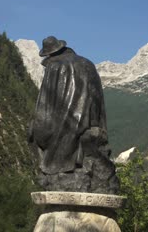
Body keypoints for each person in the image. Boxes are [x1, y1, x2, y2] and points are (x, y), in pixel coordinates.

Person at [28, 36, 119, 194]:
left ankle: (57, 174)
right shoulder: (88, 64)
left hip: (66, 128)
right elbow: (97, 99)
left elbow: (46, 104)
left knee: (35, 135)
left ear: (51, 54)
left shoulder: (55, 66)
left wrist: (37, 127)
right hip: (92, 125)